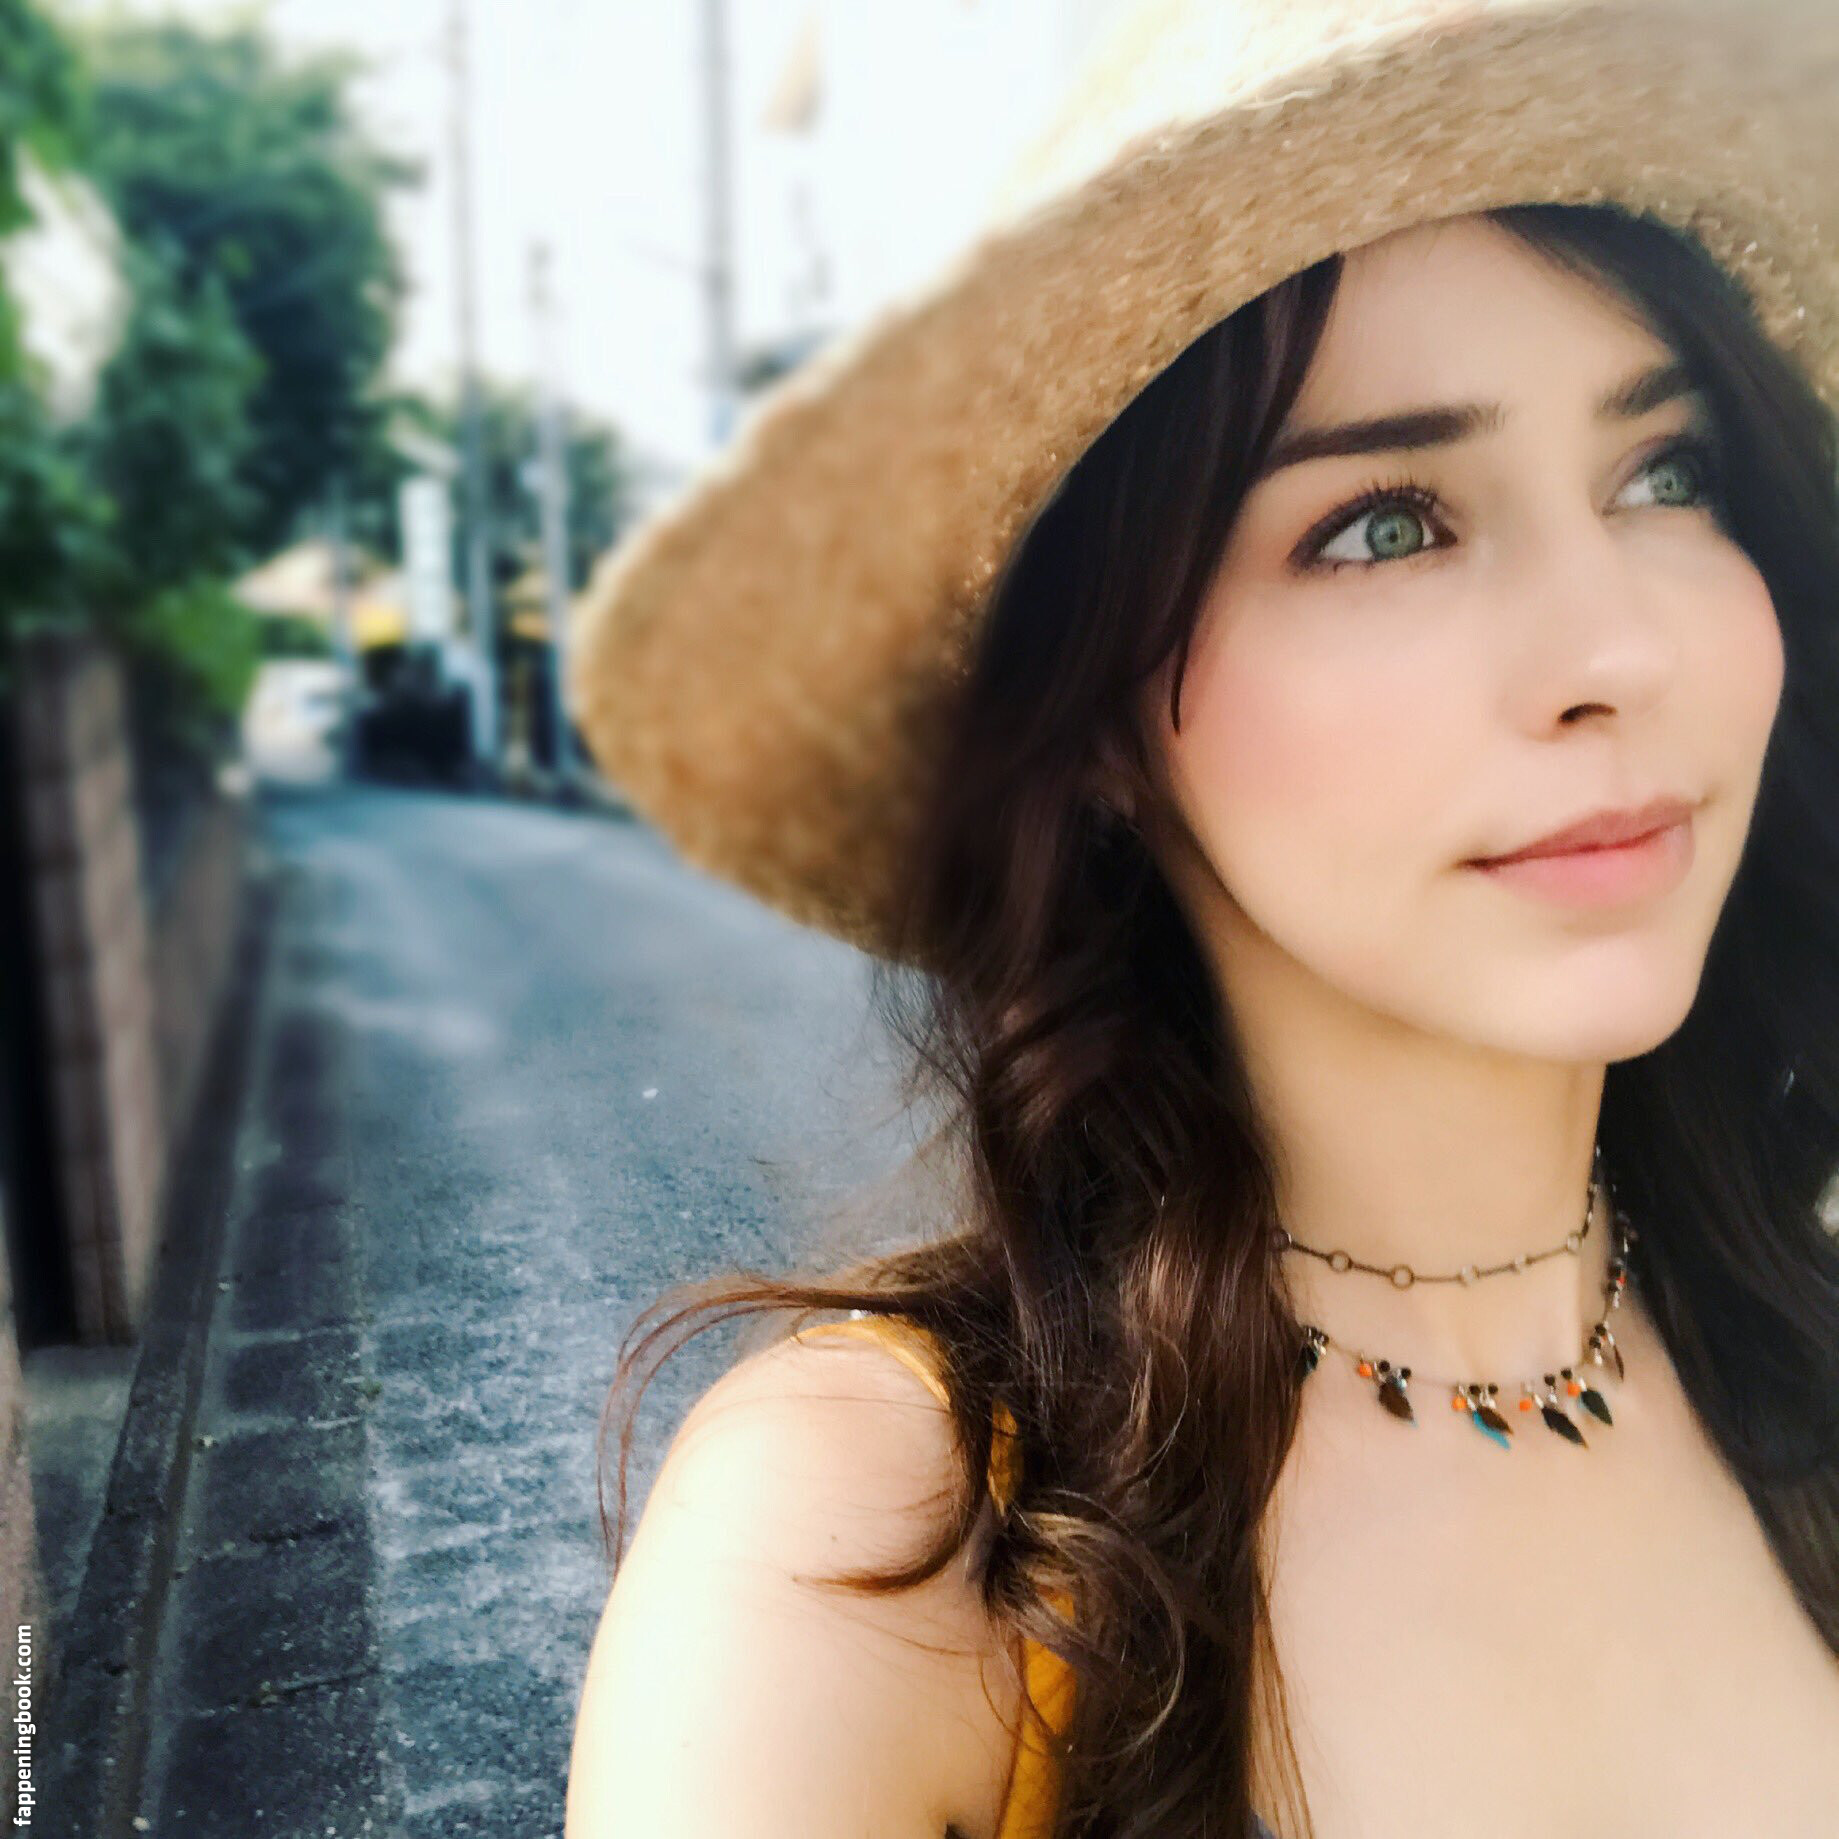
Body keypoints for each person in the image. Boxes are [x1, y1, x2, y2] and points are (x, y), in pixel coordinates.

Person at [561, 3, 1839, 1833]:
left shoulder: (1796, 1355)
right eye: (1387, 524)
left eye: (1668, 474)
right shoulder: (889, 1554)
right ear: (1095, 720)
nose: (1617, 651)